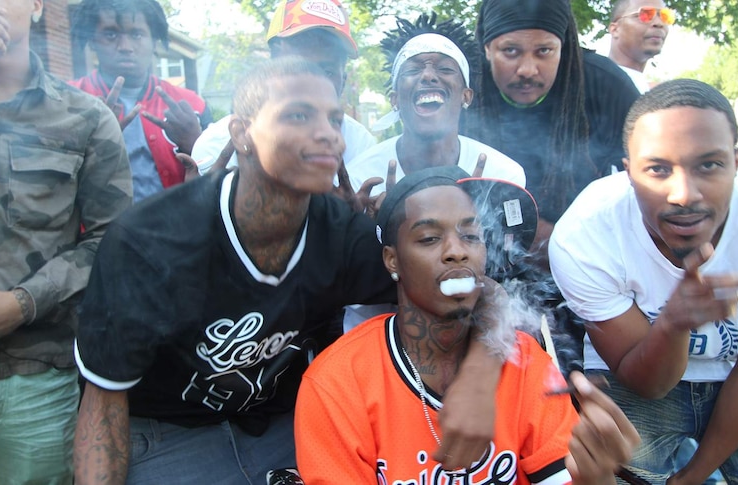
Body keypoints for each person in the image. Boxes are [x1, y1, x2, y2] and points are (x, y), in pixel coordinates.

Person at [74, 58, 508, 484]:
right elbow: (103, 403)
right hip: (168, 435)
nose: (327, 134)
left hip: (283, 426)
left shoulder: (341, 235)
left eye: (334, 120)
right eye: (298, 115)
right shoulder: (148, 241)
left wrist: (478, 379)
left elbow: (474, 289)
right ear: (243, 133)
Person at [295, 165, 640, 484]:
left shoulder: (525, 361)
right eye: (429, 238)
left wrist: (596, 479)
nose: (456, 252)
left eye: (472, 236)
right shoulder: (337, 383)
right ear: (392, 259)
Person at [549, 79, 738, 483]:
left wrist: (692, 476)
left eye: (708, 165)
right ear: (628, 173)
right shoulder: (585, 235)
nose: (683, 194)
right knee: (611, 473)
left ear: (737, 163)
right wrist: (674, 322)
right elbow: (647, 383)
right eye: (657, 169)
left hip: (737, 370)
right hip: (637, 375)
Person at [0, 0, 133, 482]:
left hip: (36, 369)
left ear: (36, 6)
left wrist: (22, 304)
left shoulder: (86, 118)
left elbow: (111, 241)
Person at [467, 0, 640, 250]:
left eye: (544, 51)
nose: (527, 70)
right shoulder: (464, 88)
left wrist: (562, 246)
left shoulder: (609, 86)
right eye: (510, 51)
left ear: (564, 48)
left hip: (590, 252)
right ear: (486, 49)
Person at [347, 13, 526, 197]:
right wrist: (373, 225)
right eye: (413, 70)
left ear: (466, 96)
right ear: (395, 99)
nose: (428, 76)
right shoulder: (360, 181)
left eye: (445, 69)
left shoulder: (502, 178)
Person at [190, 0, 375, 177]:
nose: (313, 83)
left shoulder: (360, 147)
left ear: (343, 80)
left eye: (327, 72)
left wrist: (352, 211)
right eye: (299, 66)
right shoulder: (218, 145)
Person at [70, 0, 213, 202]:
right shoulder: (65, 102)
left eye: (136, 34)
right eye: (111, 34)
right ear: (92, 40)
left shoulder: (192, 105)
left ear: (154, 40)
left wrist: (195, 142)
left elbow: (224, 180)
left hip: (179, 230)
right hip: (100, 233)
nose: (125, 47)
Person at [607, 0, 674, 93]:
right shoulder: (592, 83)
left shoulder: (655, 93)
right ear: (615, 29)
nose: (659, 23)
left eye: (665, 16)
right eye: (646, 14)